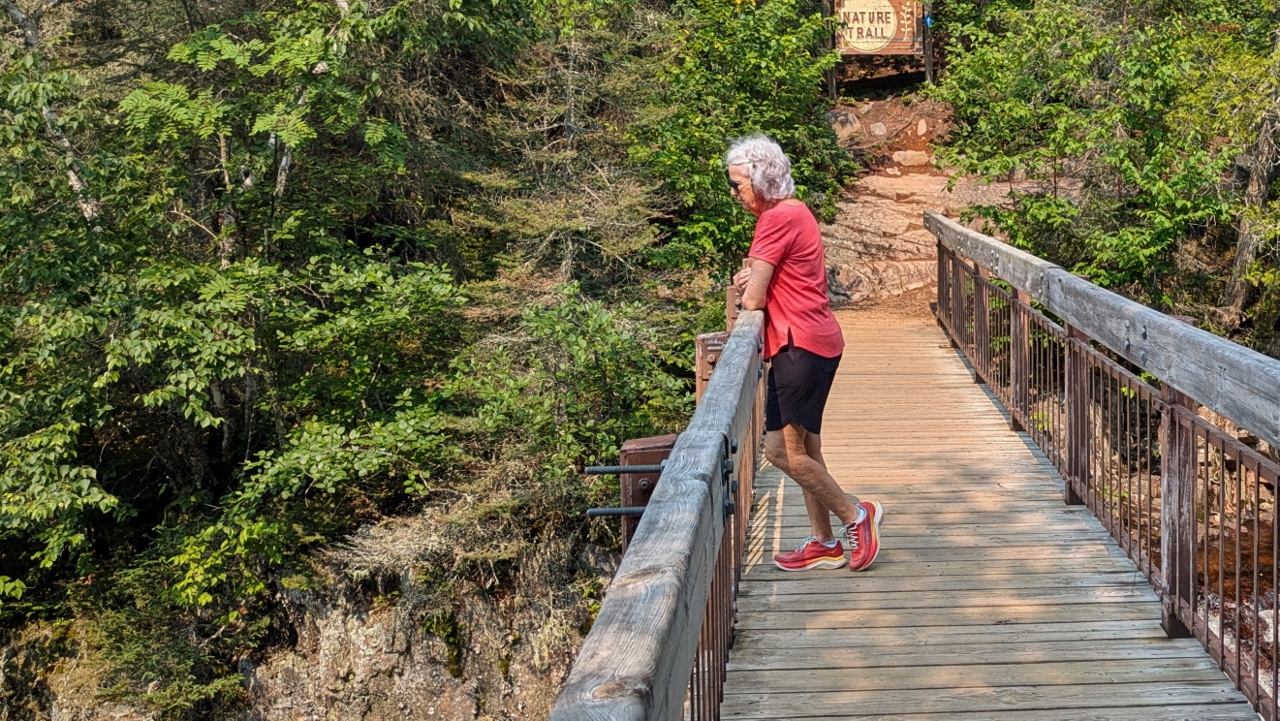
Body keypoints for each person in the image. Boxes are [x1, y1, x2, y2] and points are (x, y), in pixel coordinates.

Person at [726, 134, 883, 572]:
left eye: (737, 184)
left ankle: (857, 517)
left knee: (781, 452)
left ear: (760, 181)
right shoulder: (795, 212)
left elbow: (753, 299)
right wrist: (752, 278)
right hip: (814, 342)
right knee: (806, 450)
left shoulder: (775, 219)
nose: (735, 193)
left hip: (800, 345)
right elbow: (765, 280)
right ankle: (824, 542)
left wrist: (749, 284)